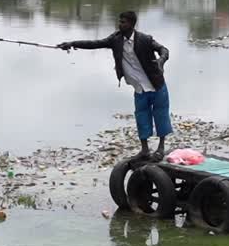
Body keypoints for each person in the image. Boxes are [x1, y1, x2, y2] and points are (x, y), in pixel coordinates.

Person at [59, 11, 172, 161]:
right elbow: (95, 44)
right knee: (141, 117)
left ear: (132, 24)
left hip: (157, 85)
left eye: (123, 22)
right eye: (119, 21)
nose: (120, 24)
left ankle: (160, 148)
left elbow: (164, 50)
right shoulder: (116, 39)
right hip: (139, 89)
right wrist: (72, 43)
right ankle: (145, 150)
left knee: (160, 115)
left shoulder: (145, 39)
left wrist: (160, 61)